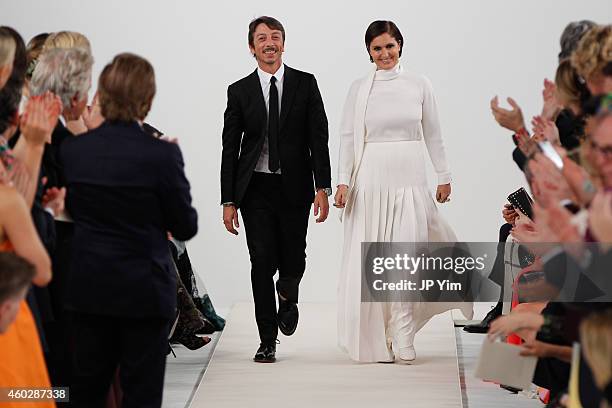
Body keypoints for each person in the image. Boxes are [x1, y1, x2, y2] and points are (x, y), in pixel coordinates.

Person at [60, 53, 198, 407]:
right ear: (146, 100)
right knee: (142, 395)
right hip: (144, 290)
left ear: (102, 94)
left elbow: (73, 210)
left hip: (89, 288)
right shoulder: (162, 155)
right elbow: (185, 224)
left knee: (87, 393)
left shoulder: (75, 151)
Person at [335, 20, 472, 363]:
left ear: (400, 46)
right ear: (369, 51)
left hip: (410, 181)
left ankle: (404, 330)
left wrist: (444, 175)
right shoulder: (359, 89)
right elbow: (348, 139)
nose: (384, 54)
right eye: (377, 48)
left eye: (390, 46)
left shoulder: (419, 84)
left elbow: (433, 132)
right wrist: (343, 181)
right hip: (371, 183)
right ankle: (379, 335)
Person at [220, 16, 332, 363]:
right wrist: (228, 199)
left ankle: (288, 293)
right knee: (260, 263)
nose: (269, 43)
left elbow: (319, 138)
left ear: (283, 43)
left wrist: (323, 186)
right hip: (255, 188)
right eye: (262, 38)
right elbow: (230, 147)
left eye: (275, 37)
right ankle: (267, 338)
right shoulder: (239, 91)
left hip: (295, 185)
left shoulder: (305, 83)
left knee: (294, 259)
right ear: (251, 47)